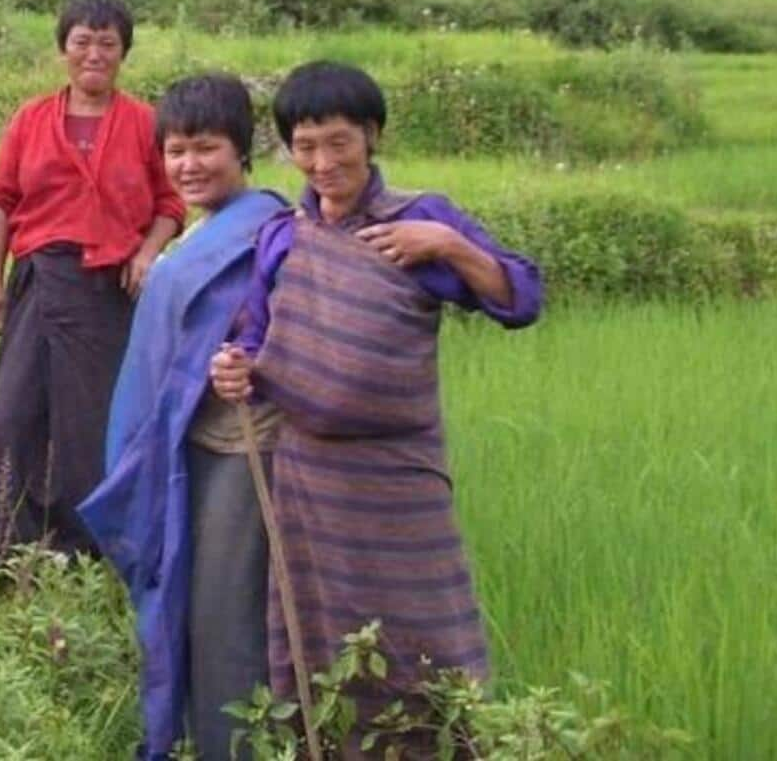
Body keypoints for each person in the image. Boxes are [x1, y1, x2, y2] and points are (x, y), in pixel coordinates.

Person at [208, 61, 543, 732]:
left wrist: (448, 244)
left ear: (372, 135)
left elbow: (521, 299)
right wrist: (235, 366)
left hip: (399, 476)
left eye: (339, 142)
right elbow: (255, 334)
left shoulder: (420, 221)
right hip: (310, 478)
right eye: (306, 146)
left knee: (423, 636)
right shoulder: (284, 235)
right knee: (322, 638)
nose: (323, 161)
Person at [77, 74, 288, 760]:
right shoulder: (202, 236)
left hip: (242, 453)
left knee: (226, 617)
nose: (190, 165)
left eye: (206, 147)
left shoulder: (269, 234)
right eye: (175, 150)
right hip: (186, 451)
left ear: (243, 148)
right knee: (191, 608)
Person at [0, 0, 186, 562]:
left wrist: (146, 253)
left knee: (94, 422)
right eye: (82, 41)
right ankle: (5, 549)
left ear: (124, 53)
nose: (95, 53)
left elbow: (170, 203)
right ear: (64, 48)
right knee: (14, 413)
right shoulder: (31, 118)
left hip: (111, 291)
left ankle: (89, 550)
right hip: (40, 279)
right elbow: (1, 203)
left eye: (108, 43)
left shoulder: (145, 123)